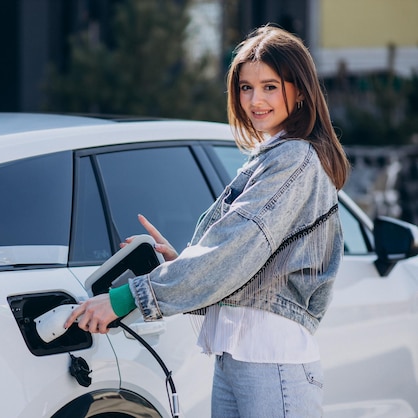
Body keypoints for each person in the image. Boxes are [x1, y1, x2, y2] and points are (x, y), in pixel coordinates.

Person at [65, 24, 350, 417]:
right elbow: (244, 260)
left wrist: (127, 296)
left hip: (271, 359)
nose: (255, 100)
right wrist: (180, 262)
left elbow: (233, 250)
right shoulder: (271, 157)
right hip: (238, 357)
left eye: (270, 86)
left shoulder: (294, 160)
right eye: (246, 88)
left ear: (299, 91)